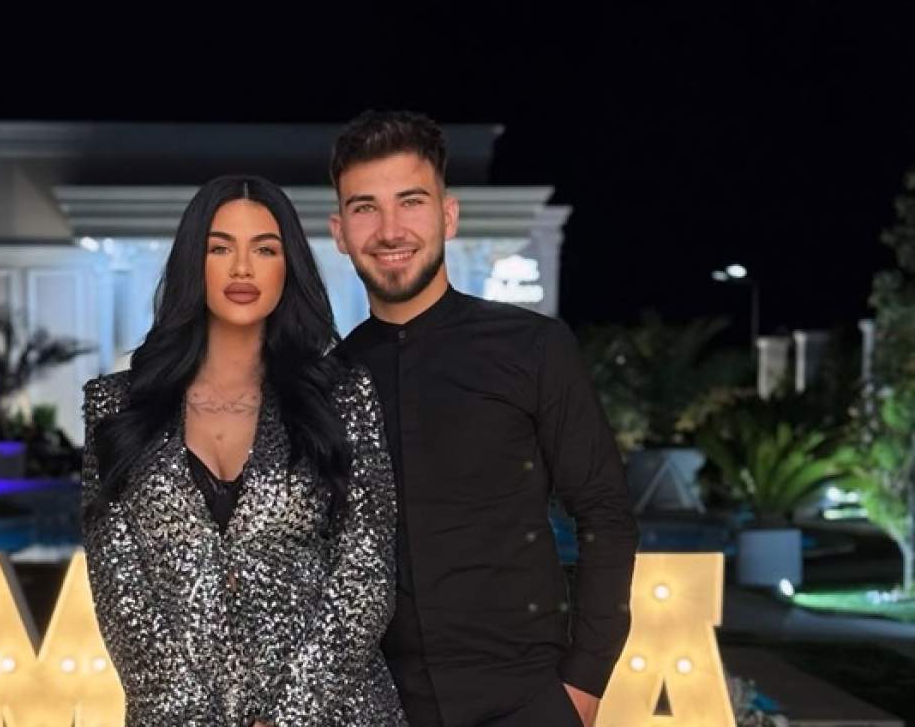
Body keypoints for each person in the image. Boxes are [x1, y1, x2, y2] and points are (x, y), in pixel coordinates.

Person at [330, 111, 640, 727]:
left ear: (448, 216)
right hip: (378, 706)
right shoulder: (329, 381)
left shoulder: (534, 348)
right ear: (340, 232)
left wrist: (584, 683)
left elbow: (604, 513)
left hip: (528, 700)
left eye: (411, 202)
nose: (390, 230)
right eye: (366, 208)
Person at [80, 176, 407, 727]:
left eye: (264, 249)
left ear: (288, 267)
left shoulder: (342, 397)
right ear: (193, 263)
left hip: (336, 714)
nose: (242, 268)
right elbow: (119, 588)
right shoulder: (115, 406)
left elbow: (366, 573)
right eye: (220, 248)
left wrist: (289, 717)